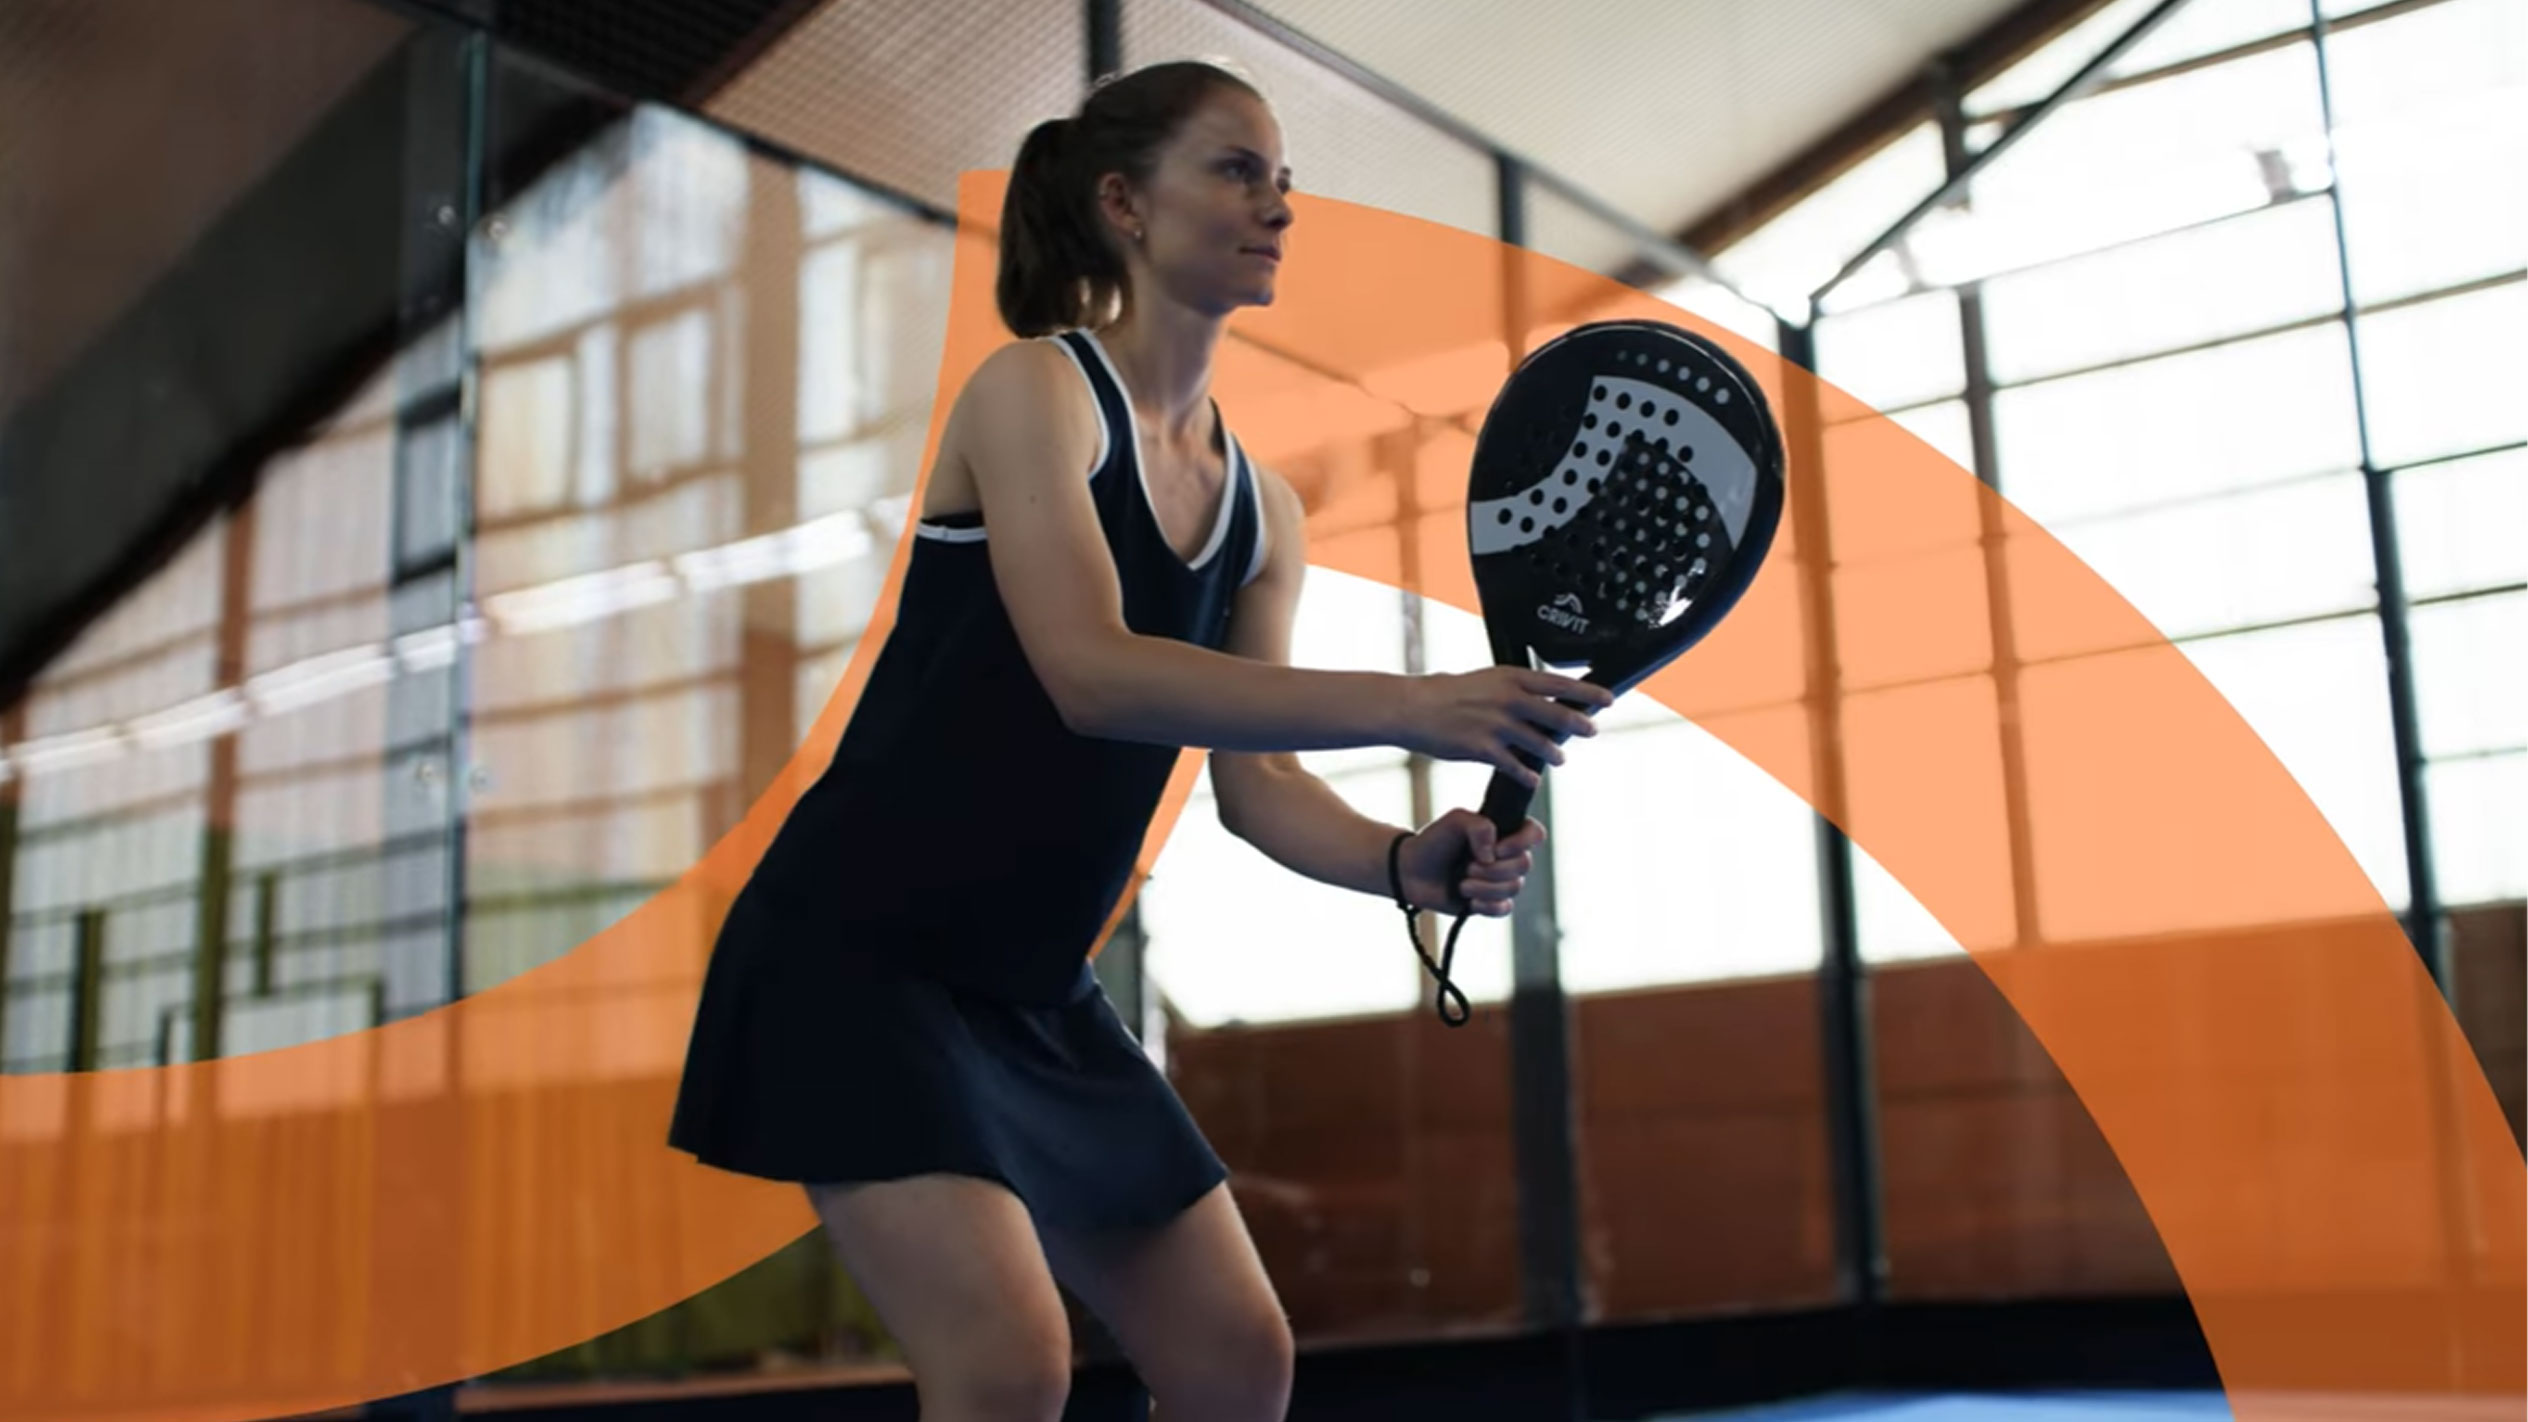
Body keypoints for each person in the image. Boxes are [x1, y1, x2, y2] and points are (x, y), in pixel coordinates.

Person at [667, 58, 1610, 1422]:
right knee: (1006, 1365)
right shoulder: (1031, 394)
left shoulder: (1262, 513)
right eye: (1236, 169)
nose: (1275, 202)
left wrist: (1407, 859)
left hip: (1035, 989)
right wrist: (1413, 700)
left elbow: (1259, 793)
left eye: (1283, 179)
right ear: (1122, 202)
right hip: (854, 957)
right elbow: (1096, 676)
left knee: (1238, 1361)